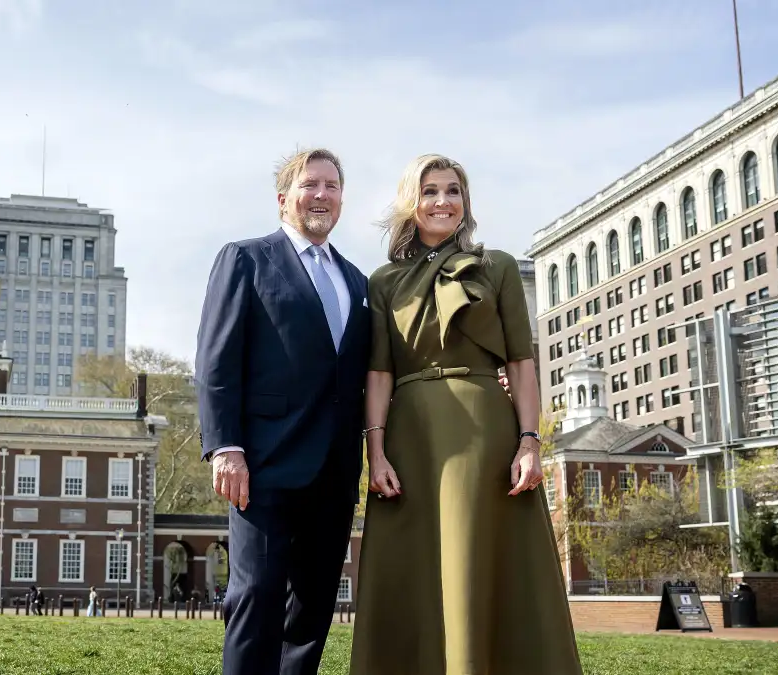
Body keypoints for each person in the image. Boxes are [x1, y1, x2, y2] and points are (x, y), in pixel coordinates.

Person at [349, 154, 582, 674]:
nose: (442, 201)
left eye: (453, 191)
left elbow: (522, 361)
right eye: (430, 191)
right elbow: (379, 373)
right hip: (411, 439)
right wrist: (377, 451)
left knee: (475, 559)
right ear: (412, 202)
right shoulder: (382, 281)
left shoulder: (496, 265)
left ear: (466, 203)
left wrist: (529, 442)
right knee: (415, 569)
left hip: (485, 435)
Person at [194, 147, 370, 675]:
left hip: (335, 470)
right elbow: (215, 358)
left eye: (332, 186)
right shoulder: (246, 258)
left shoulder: (357, 281)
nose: (322, 195)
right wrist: (225, 447)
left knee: (312, 606)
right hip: (263, 464)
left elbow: (373, 370)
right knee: (258, 593)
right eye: (310, 184)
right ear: (283, 199)